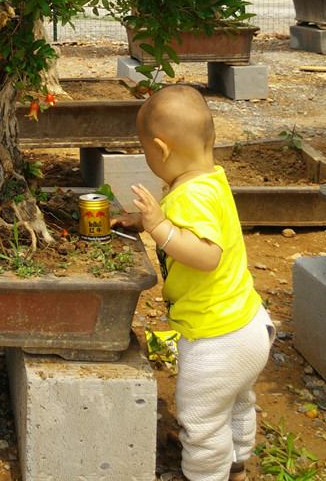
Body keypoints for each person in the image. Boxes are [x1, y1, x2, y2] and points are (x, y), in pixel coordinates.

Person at [111, 84, 274, 481]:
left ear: (161, 150)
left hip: (216, 337)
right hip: (249, 326)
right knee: (236, 402)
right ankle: (235, 462)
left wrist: (160, 227)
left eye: (146, 150)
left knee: (199, 417)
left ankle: (205, 473)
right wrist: (145, 222)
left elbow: (206, 255)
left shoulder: (189, 197)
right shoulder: (210, 180)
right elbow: (193, 227)